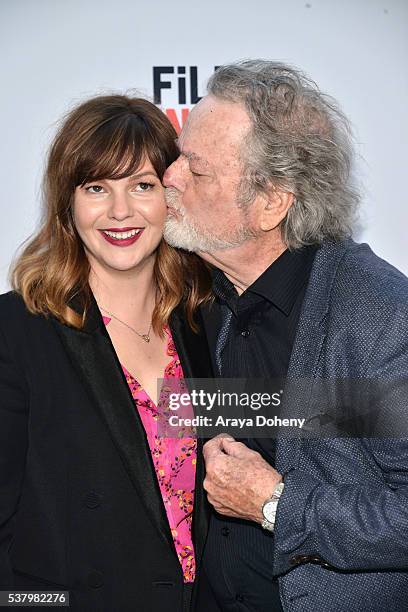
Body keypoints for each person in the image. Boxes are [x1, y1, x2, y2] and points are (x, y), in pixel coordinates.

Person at [163, 60, 408, 611]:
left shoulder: (380, 317)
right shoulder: (204, 300)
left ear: (271, 202)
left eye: (196, 170)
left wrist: (276, 503)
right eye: (179, 155)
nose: (170, 177)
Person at [0, 94, 218, 612]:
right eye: (96, 187)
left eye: (142, 186)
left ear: (171, 196)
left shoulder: (204, 323)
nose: (120, 211)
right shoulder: (18, 331)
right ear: (68, 204)